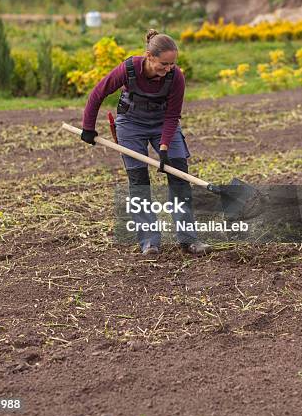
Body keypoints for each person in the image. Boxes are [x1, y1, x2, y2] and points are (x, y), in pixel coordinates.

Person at [81, 29, 212, 257]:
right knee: (139, 181)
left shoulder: (175, 77)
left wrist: (163, 148)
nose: (168, 69)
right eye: (164, 64)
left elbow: (172, 117)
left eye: (172, 64)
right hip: (131, 124)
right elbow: (97, 93)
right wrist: (88, 127)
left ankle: (188, 239)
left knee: (180, 175)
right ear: (149, 57)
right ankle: (149, 241)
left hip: (163, 122)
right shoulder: (129, 68)